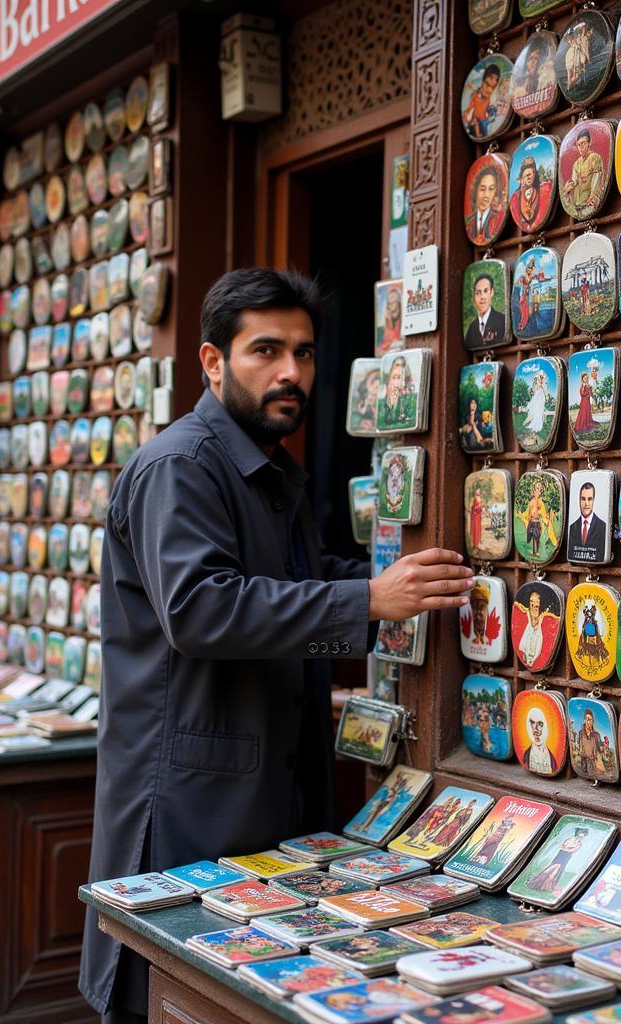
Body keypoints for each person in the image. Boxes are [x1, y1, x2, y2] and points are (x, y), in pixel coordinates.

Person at [79, 268, 472, 1022]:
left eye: (305, 352)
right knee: (169, 989)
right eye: (266, 350)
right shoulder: (182, 466)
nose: (291, 372)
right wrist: (368, 599)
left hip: (262, 791)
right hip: (188, 800)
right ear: (212, 361)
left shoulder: (268, 469)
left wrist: (401, 582)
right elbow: (199, 608)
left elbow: (303, 576)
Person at [562, 129, 604, 219]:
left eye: (583, 143)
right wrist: (566, 189)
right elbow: (574, 182)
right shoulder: (576, 164)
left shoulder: (594, 158)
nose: (581, 147)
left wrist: (593, 197)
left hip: (590, 204)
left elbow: (596, 182)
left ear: (589, 143)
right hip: (578, 206)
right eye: (579, 145)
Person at [509, 156, 552, 234]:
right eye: (526, 175)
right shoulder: (515, 199)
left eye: (530, 174)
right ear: (521, 179)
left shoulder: (544, 190)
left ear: (534, 175)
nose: (528, 178)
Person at [464, 272, 506, 350]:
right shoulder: (471, 329)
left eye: (485, 291)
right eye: (478, 293)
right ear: (474, 297)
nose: (482, 297)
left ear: (492, 292)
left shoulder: (502, 321)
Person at [568, 480, 607, 562]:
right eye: (583, 499)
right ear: (579, 500)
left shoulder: (603, 527)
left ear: (593, 501)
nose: (586, 503)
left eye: (589, 499)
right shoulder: (572, 527)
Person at [463, 63, 502, 139]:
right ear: (483, 81)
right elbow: (468, 114)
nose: (489, 90)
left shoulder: (491, 101)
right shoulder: (473, 95)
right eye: (487, 84)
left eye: (492, 88)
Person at [466, 165, 503, 246]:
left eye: (491, 189)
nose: (486, 195)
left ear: (495, 192)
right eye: (482, 189)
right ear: (476, 190)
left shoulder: (497, 219)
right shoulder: (469, 222)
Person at [517, 588, 547, 669]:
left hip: (536, 637)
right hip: (529, 636)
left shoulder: (542, 615)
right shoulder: (528, 613)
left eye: (536, 602)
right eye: (531, 602)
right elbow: (533, 623)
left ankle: (532, 660)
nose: (534, 605)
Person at [525, 707, 558, 774]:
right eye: (532, 723)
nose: (535, 729)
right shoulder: (526, 756)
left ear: (547, 727)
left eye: (540, 724)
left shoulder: (553, 760)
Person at [577, 708, 602, 776]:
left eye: (591, 720)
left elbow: (600, 749)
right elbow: (579, 746)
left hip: (593, 763)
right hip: (583, 762)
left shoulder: (596, 735)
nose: (589, 722)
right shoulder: (581, 733)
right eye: (588, 720)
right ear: (584, 720)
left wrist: (604, 747)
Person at [524, 371, 549, 436]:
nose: (540, 379)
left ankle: (538, 424)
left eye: (541, 377)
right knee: (536, 409)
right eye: (540, 377)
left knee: (540, 410)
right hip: (538, 397)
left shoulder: (544, 385)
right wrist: (538, 383)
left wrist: (542, 385)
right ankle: (534, 423)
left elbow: (545, 392)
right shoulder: (537, 385)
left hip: (541, 398)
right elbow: (535, 390)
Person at [573, 372, 598, 436]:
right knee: (584, 413)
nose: (586, 379)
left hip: (587, 401)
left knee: (587, 412)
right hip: (584, 402)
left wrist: (592, 390)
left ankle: (587, 422)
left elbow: (592, 392)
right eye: (585, 378)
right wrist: (586, 390)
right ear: (582, 379)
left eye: (587, 378)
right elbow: (582, 394)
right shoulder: (583, 385)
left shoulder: (588, 385)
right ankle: (582, 425)